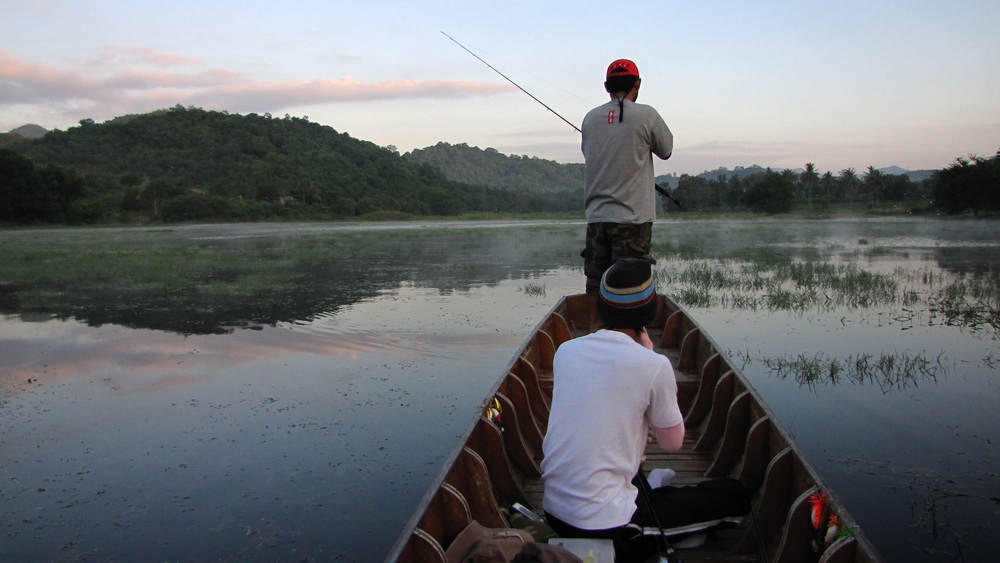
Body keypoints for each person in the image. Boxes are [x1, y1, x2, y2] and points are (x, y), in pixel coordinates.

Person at [540, 259, 685, 560]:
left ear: (602, 309)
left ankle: (648, 485)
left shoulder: (565, 351)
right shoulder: (654, 366)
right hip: (610, 526)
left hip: (554, 511)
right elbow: (673, 443)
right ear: (648, 313)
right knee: (731, 497)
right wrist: (652, 356)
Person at [581, 59, 674, 297]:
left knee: (595, 290)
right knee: (631, 292)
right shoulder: (647, 115)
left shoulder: (590, 118)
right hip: (633, 220)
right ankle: (630, 334)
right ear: (638, 83)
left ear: (606, 86)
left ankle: (595, 331)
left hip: (597, 218)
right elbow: (666, 150)